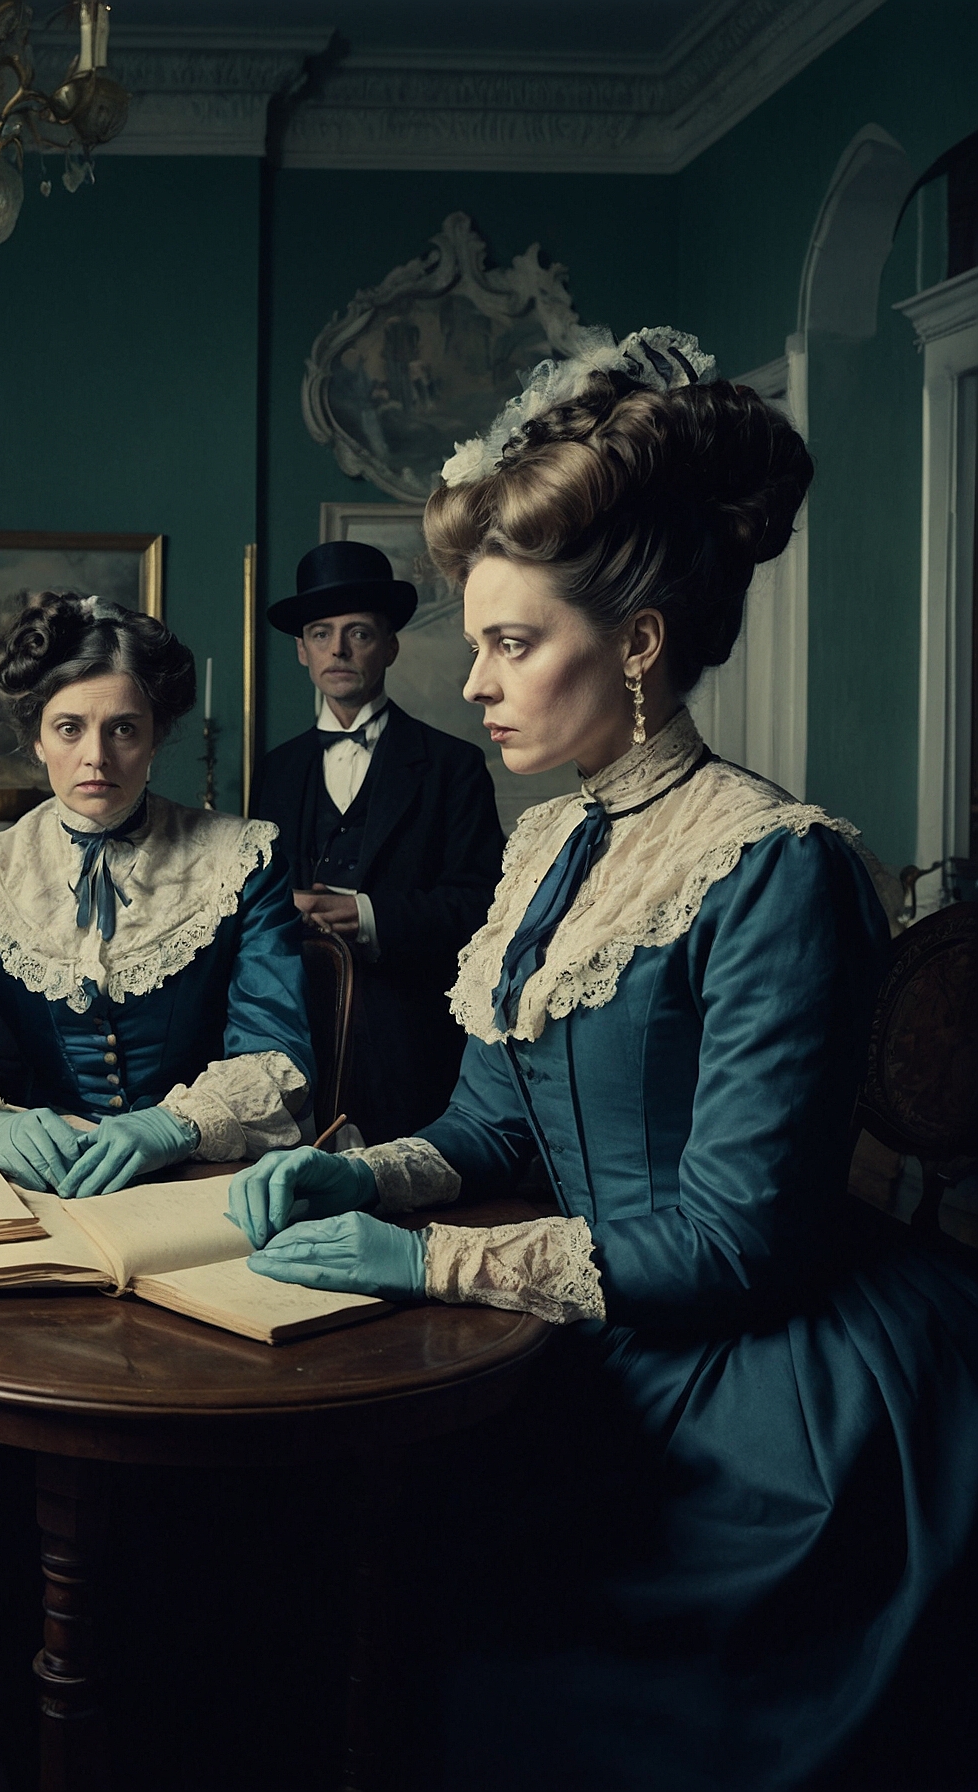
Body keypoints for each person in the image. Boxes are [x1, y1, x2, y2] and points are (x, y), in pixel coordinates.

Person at [225, 329, 978, 1789]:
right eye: (478, 642)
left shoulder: (778, 866)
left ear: (636, 643)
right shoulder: (550, 843)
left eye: (516, 643)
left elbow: (741, 1237)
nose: (479, 683)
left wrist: (431, 1266)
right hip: (593, 1340)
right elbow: (498, 1126)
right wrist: (365, 1175)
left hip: (771, 1389)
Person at [0, 594, 314, 1198]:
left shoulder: (240, 860)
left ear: (157, 736)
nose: (96, 757)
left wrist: (176, 1125)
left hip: (198, 1173)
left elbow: (277, 1053)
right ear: (36, 738)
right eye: (68, 728)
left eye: (124, 729)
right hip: (41, 1180)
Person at [251, 540, 503, 1143]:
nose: (337, 649)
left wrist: (366, 914)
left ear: (390, 646)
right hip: (299, 1034)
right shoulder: (275, 770)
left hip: (412, 1038)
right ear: (301, 651)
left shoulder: (452, 765)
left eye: (358, 632)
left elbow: (484, 907)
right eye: (320, 633)